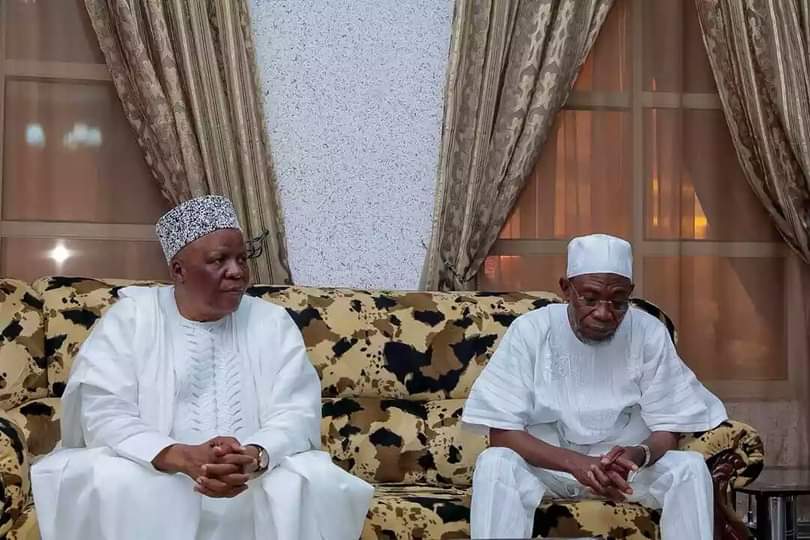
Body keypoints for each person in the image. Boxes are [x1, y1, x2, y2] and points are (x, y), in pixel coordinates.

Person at [31, 195, 373, 540]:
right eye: (219, 260)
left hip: (252, 471)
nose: (237, 271)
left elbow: (296, 412)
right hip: (156, 463)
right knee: (116, 479)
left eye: (242, 258)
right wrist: (179, 457)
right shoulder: (132, 318)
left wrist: (254, 455)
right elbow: (104, 411)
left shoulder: (271, 321)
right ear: (178, 270)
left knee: (311, 481)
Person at [462, 233, 727, 540]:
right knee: (495, 463)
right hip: (549, 467)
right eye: (589, 299)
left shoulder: (648, 332)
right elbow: (502, 434)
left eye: (618, 302)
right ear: (566, 289)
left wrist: (639, 454)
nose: (604, 313)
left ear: (630, 294)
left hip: (623, 473)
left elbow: (669, 427)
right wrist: (577, 464)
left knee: (690, 468)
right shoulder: (531, 330)